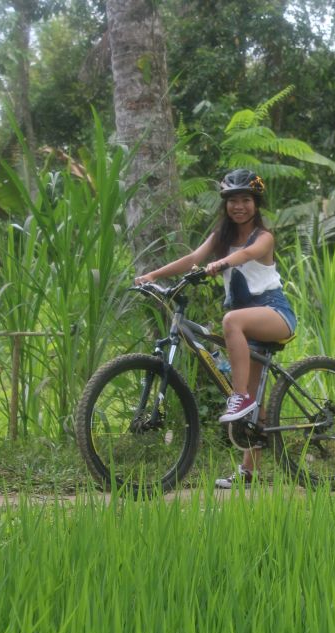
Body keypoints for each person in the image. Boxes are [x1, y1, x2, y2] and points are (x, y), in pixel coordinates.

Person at [134, 168, 297, 488]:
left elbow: (249, 255)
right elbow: (192, 258)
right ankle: (249, 472)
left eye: (246, 200)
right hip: (249, 325)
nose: (239, 206)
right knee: (255, 398)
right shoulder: (220, 238)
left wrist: (220, 264)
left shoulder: (264, 237)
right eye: (233, 200)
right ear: (224, 204)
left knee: (230, 322)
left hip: (274, 313)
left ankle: (239, 397)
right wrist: (152, 275)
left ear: (256, 204)